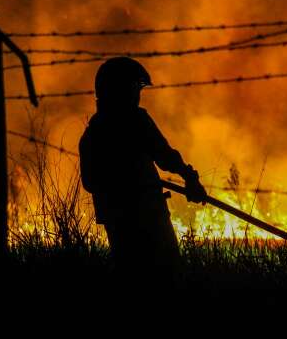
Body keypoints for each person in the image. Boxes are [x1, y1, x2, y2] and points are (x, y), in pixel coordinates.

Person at [78, 57, 207, 290]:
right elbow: (165, 156)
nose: (138, 95)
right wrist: (189, 177)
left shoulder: (93, 132)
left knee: (130, 278)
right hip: (149, 216)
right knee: (167, 277)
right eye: (135, 88)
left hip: (117, 220)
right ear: (121, 90)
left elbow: (90, 182)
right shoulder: (136, 121)